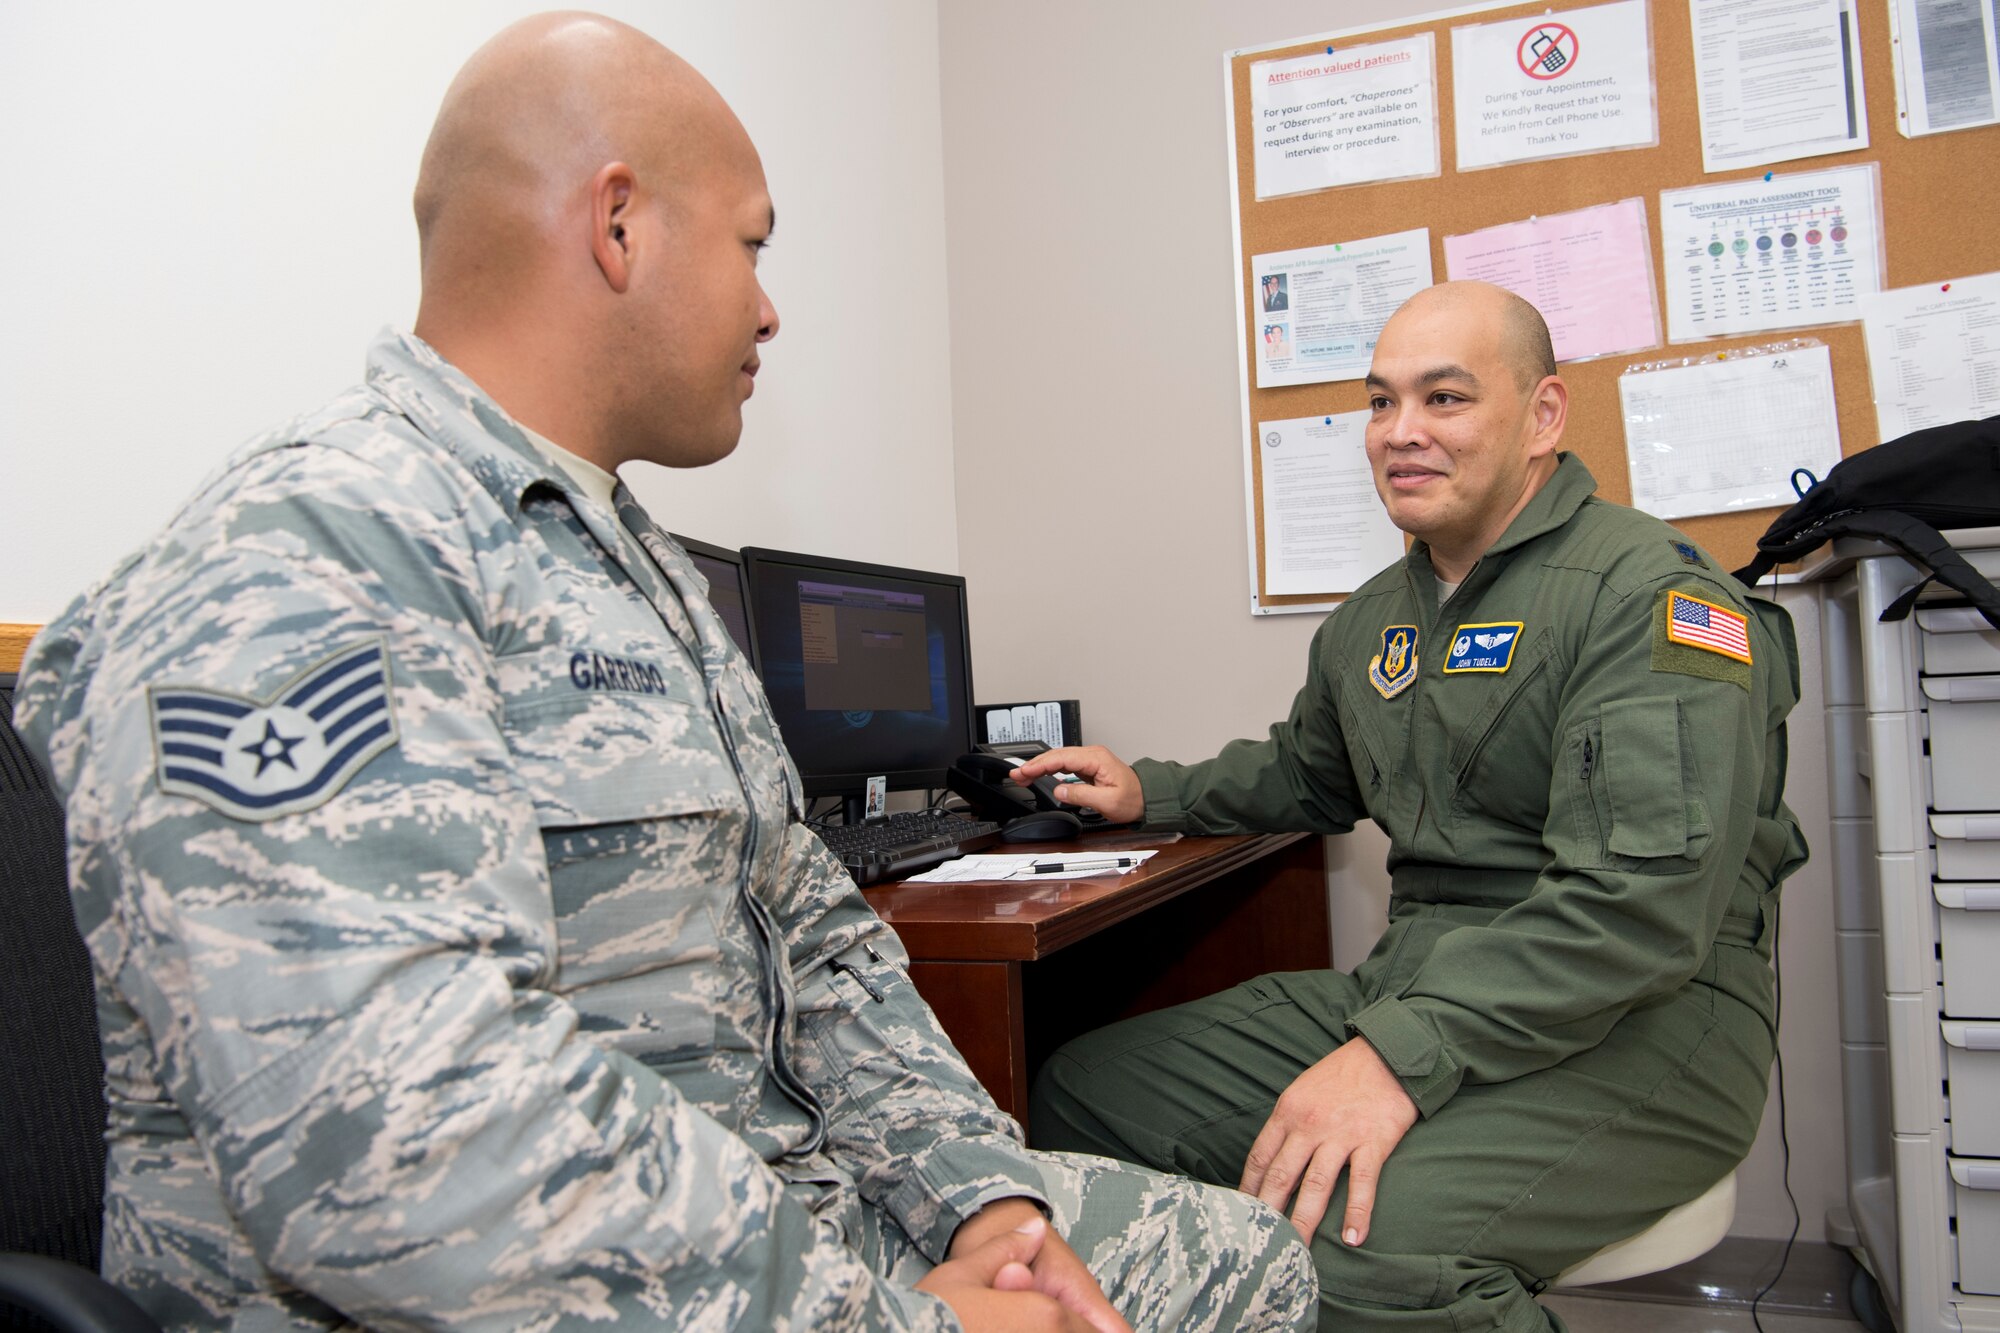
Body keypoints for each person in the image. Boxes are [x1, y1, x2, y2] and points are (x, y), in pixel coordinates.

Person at [13, 15, 1314, 1332]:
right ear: (620, 224)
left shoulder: (637, 571)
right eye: (752, 242)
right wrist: (896, 1324)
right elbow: (392, 1140)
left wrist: (987, 1207)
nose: (769, 302)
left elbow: (814, 942)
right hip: (487, 1293)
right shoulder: (306, 556)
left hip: (758, 1218)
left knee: (1247, 1263)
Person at [1015, 281, 1808, 1332]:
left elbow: (1638, 908)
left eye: (1443, 398)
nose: (1400, 433)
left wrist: (1395, 1054)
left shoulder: (1649, 595)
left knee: (1357, 1246)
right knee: (1081, 1093)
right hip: (1422, 981)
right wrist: (1144, 791)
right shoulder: (1372, 623)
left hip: (1649, 1015)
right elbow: (1307, 772)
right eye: (1379, 403)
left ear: (1542, 416)